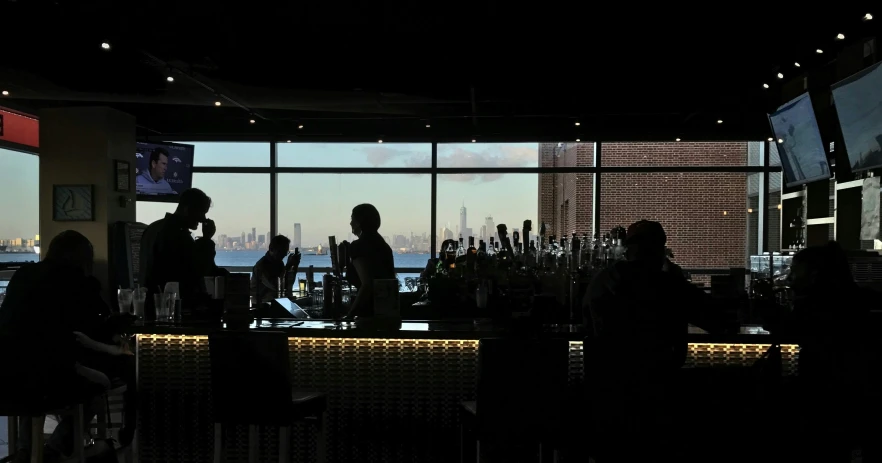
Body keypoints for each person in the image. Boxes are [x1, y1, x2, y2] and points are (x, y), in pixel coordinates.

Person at [583, 220, 727, 461]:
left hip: (607, 391)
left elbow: (587, 323)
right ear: (661, 249)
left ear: (627, 249)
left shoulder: (601, 282)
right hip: (659, 391)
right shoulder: (670, 286)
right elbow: (720, 321)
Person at [0, 231, 134, 462]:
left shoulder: (23, 274)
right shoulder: (76, 282)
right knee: (96, 387)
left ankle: (26, 451)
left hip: (7, 375)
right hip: (51, 378)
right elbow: (93, 328)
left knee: (30, 387)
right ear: (82, 258)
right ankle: (54, 449)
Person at [768, 242, 872, 461]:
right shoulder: (852, 298)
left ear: (814, 275)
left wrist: (767, 310)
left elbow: (788, 331)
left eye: (795, 272)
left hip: (824, 391)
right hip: (853, 392)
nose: (790, 278)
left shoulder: (818, 304)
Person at [140, 188, 222, 318]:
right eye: (201, 213)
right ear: (187, 209)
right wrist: (206, 240)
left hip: (150, 303)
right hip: (172, 307)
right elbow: (197, 270)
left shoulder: (153, 228)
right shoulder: (177, 235)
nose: (203, 219)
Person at [344, 204, 395, 318]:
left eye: (352, 219)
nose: (350, 223)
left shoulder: (358, 246)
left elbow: (367, 284)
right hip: (387, 310)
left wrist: (350, 314)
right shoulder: (383, 246)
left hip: (368, 313)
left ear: (359, 222)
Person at [250, 235, 301, 304]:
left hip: (275, 302)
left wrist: (294, 266)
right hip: (261, 305)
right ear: (271, 249)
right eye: (282, 251)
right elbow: (276, 286)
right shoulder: (261, 266)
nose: (285, 255)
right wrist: (288, 266)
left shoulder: (279, 263)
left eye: (286, 251)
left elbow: (287, 284)